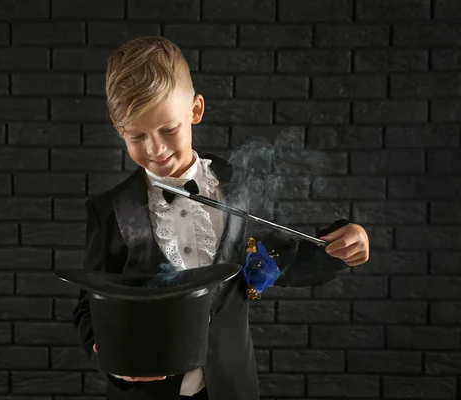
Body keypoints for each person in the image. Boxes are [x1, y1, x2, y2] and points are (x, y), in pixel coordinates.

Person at [72, 36, 370, 400]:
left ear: (195, 110)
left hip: (233, 387)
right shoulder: (108, 211)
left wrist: (339, 242)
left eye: (168, 129)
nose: (156, 149)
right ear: (120, 130)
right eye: (137, 136)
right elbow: (89, 305)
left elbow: (283, 260)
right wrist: (108, 354)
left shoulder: (239, 186)